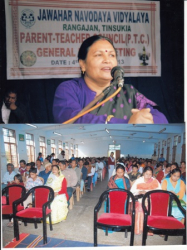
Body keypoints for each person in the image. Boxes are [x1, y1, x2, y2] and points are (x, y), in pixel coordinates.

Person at [53, 35, 168, 124]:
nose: (107, 60)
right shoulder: (69, 89)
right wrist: (127, 124)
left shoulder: (128, 92)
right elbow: (72, 120)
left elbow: (161, 119)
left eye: (112, 55)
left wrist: (145, 119)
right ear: (83, 64)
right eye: (99, 55)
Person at [130, 166, 161, 235]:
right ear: (143, 173)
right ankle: (140, 228)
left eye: (150, 174)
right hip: (140, 199)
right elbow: (132, 192)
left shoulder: (155, 181)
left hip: (152, 199)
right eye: (146, 174)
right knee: (140, 208)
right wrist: (140, 192)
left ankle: (150, 229)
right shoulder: (139, 181)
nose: (148, 176)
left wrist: (151, 195)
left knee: (153, 208)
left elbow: (159, 192)